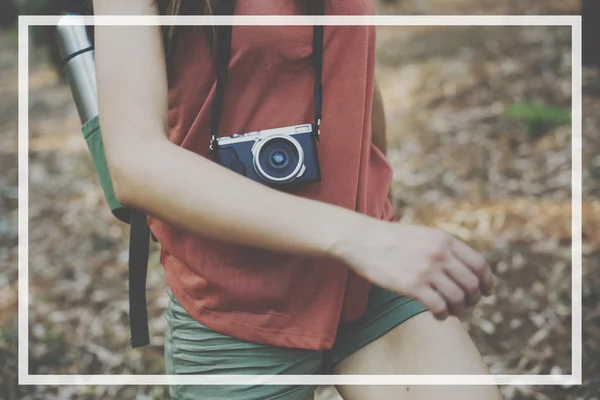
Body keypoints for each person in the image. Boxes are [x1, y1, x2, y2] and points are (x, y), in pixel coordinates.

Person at [93, 1, 504, 399]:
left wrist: (379, 217)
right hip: (237, 305)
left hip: (364, 281)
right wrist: (360, 236)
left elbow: (355, 66)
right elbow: (135, 161)